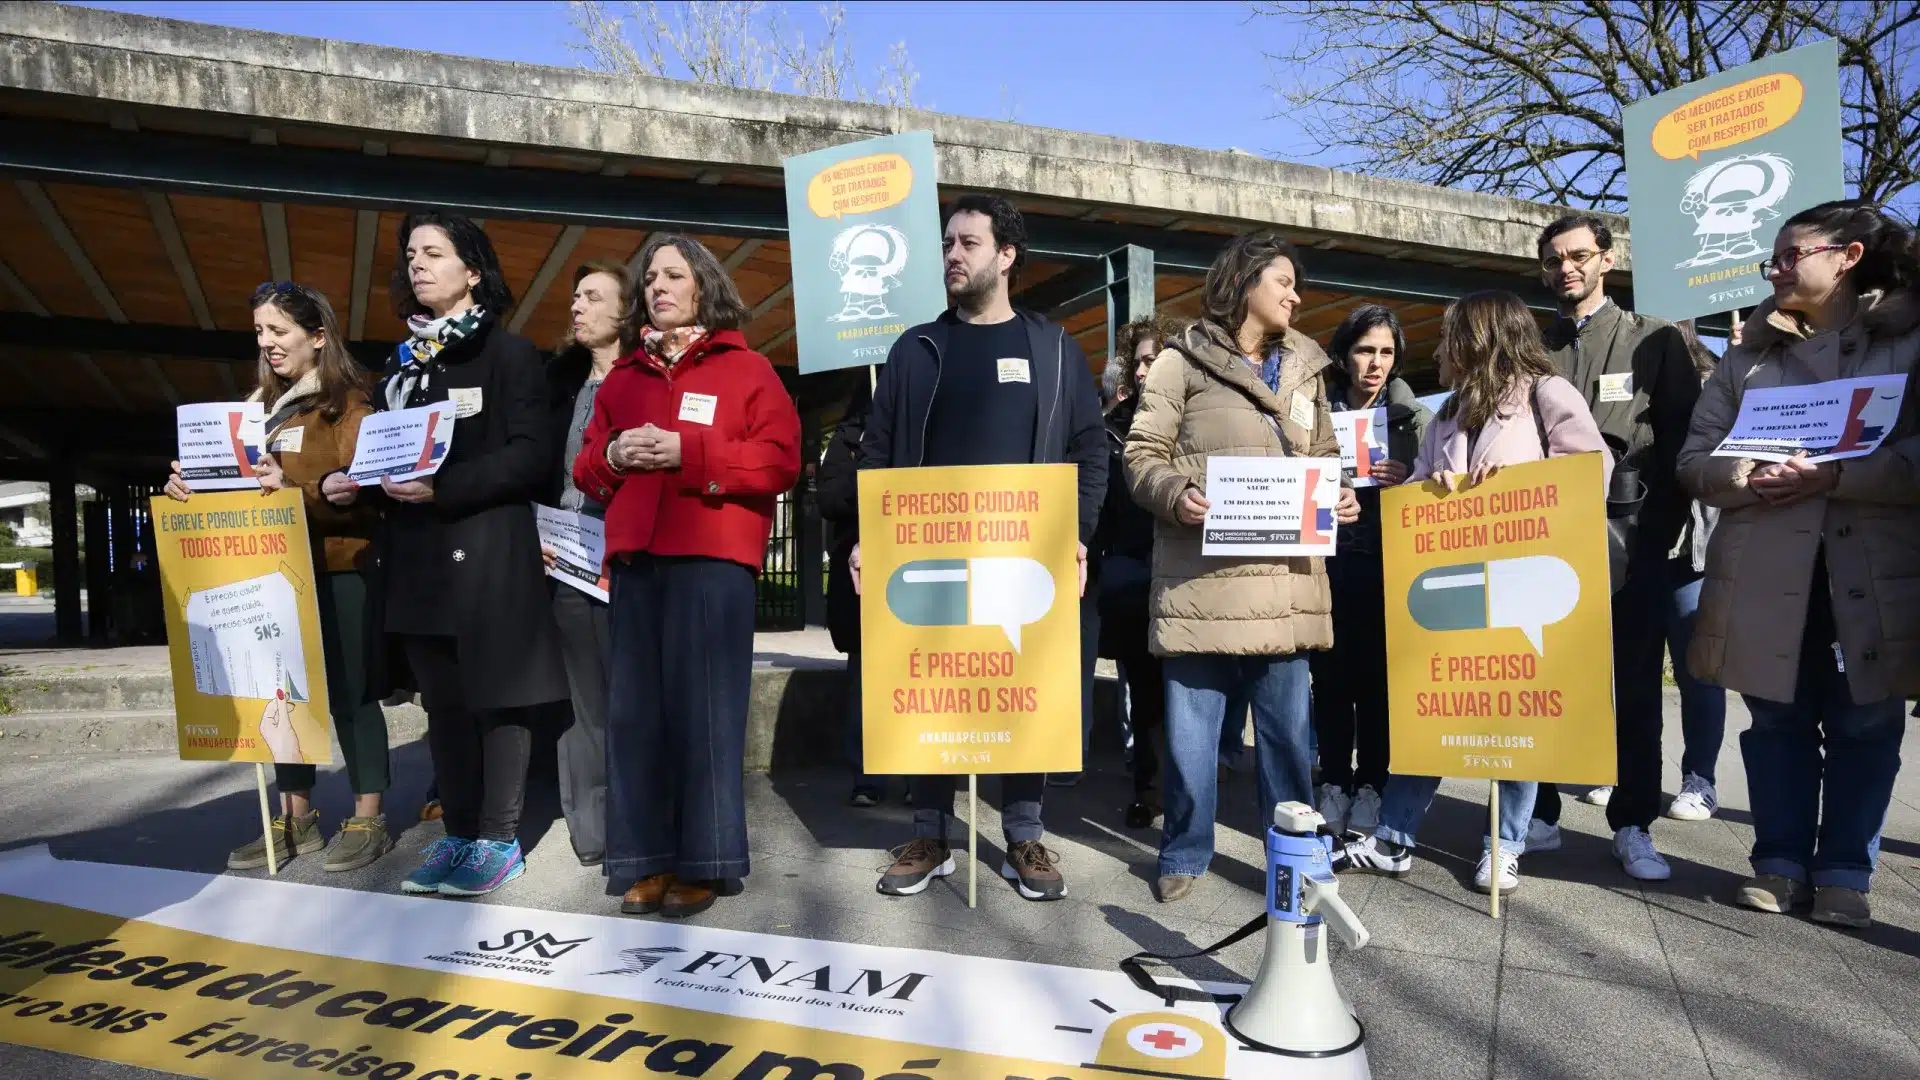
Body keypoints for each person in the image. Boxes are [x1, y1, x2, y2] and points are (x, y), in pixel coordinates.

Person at [852, 194, 1106, 902]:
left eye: (967, 243)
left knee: (1020, 687)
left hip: (1021, 559)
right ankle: (931, 833)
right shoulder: (916, 349)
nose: (952, 257)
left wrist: (1073, 535)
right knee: (933, 690)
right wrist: (869, 538)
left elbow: (1090, 452)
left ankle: (1023, 832)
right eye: (947, 245)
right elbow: (874, 453)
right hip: (928, 560)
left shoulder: (1053, 349)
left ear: (1006, 256)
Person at [1679, 199, 1920, 929]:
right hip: (1765, 571)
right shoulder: (1747, 357)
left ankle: (1847, 867)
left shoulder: (1907, 345)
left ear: (1847, 255)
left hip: (1869, 573)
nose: (1777, 270)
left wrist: (1842, 478)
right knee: (1775, 722)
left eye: (1791, 255)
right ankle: (1778, 860)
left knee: (1865, 724)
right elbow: (1696, 461)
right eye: (1772, 261)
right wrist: (1748, 475)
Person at [322, 210, 569, 898]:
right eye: (410, 255)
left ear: (473, 270)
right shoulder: (400, 368)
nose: (416, 265)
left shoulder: (509, 355)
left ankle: (498, 839)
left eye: (433, 252)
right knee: (446, 709)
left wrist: (445, 486)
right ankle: (457, 836)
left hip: (487, 559)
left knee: (498, 703)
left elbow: (531, 457)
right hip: (418, 566)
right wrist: (348, 484)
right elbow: (387, 460)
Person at [1343, 290, 1612, 895]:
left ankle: (1506, 843)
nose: (1440, 348)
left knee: (1515, 721)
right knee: (1434, 712)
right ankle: (1394, 836)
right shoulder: (1447, 414)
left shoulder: (1547, 395)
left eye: (1450, 335)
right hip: (1456, 586)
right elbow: (1416, 488)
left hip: (1520, 587)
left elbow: (1590, 473)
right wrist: (1429, 481)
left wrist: (1519, 484)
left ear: (1480, 337)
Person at [1123, 231, 1362, 904]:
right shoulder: (1181, 362)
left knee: (1288, 736)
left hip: (1285, 583)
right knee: (1193, 735)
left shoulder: (1311, 367)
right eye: (1282, 280)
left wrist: (1336, 495)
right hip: (1203, 583)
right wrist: (1176, 495)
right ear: (1244, 282)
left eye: (1295, 285)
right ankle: (1186, 850)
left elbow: (1324, 460)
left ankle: (1297, 858)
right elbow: (1141, 455)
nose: (1294, 293)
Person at [576, 233, 801, 919]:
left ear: (704, 285)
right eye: (650, 279)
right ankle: (647, 861)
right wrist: (614, 450)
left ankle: (705, 862)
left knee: (706, 716)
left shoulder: (748, 370)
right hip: (639, 562)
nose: (658, 287)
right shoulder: (623, 379)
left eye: (674, 275)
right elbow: (585, 469)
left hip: (711, 563)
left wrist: (689, 450)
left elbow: (781, 459)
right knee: (637, 719)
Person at [168, 281, 393, 873]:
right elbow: (235, 492)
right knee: (283, 696)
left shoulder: (349, 403)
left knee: (350, 695)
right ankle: (297, 818)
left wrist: (296, 490)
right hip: (275, 578)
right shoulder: (255, 413)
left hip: (340, 570)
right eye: (261, 332)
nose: (267, 343)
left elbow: (366, 493)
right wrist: (189, 488)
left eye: (279, 331)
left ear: (318, 337)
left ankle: (368, 815)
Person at [1532, 212, 1701, 882]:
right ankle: (1538, 811)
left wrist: (1652, 536)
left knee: (1632, 690)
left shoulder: (1654, 340)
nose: (1564, 269)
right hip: (1541, 545)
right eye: (1552, 260)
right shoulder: (1530, 347)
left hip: (1631, 547)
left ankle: (1633, 822)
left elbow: (1686, 447)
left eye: (1577, 255)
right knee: (1542, 686)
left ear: (1607, 258)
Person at [1309, 305, 1431, 836]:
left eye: (1385, 352)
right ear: (1343, 355)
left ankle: (1372, 786)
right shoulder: (1312, 413)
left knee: (1380, 688)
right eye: (1364, 350)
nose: (1375, 363)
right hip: (1327, 570)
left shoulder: (1418, 421)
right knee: (1330, 684)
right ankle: (1333, 781)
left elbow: (1443, 492)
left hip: (1390, 573)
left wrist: (1411, 480)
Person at [541, 260, 634, 868]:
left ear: (624, 312)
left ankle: (638, 821)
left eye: (593, 296)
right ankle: (594, 830)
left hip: (629, 561)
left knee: (630, 696)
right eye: (575, 296)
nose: (576, 306)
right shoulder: (558, 386)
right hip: (566, 560)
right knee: (586, 704)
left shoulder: (647, 380)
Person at [1096, 314, 1188, 830]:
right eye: (1146, 360)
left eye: (1163, 358)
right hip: (1134, 576)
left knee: (1189, 693)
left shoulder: (1196, 418)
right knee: (1147, 692)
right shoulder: (1112, 429)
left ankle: (1189, 791)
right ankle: (1149, 790)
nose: (1154, 368)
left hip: (1188, 575)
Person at [1663, 324, 1727, 822]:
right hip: (1634, 552)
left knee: (1698, 673)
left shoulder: (1716, 381)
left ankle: (1699, 779)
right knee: (1623, 674)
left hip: (1692, 555)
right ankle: (1613, 769)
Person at [815, 383, 878, 806]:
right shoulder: (848, 438)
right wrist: (872, 481)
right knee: (863, 678)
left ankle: (916, 778)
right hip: (861, 576)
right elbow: (829, 498)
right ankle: (867, 776)